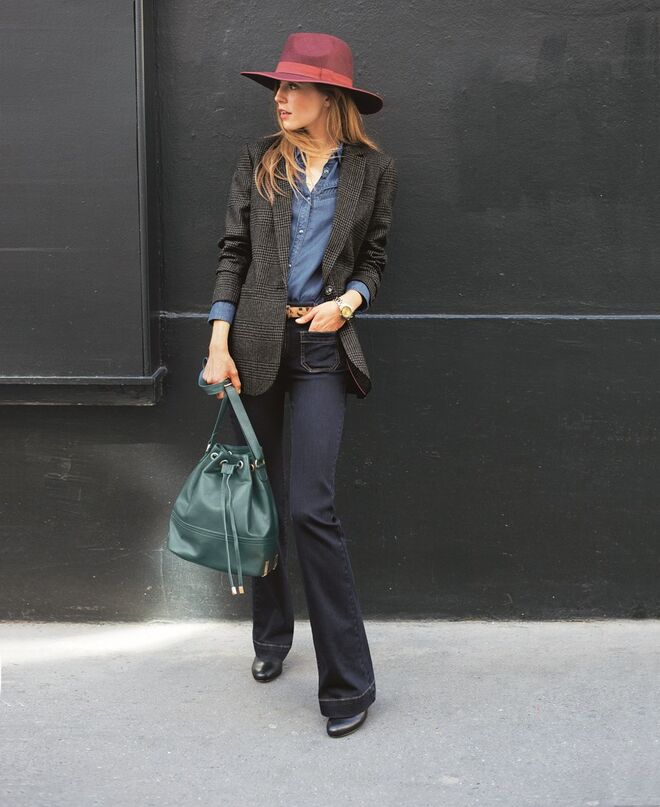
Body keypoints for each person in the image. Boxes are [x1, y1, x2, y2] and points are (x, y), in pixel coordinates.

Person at [202, 32, 398, 738]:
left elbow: (374, 260)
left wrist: (346, 303)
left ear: (330, 96)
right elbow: (233, 254)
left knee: (311, 506)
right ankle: (271, 636)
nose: (280, 98)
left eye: (293, 87)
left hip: (321, 345)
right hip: (252, 344)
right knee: (259, 499)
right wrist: (217, 343)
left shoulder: (373, 171)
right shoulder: (259, 160)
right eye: (278, 88)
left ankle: (348, 685)